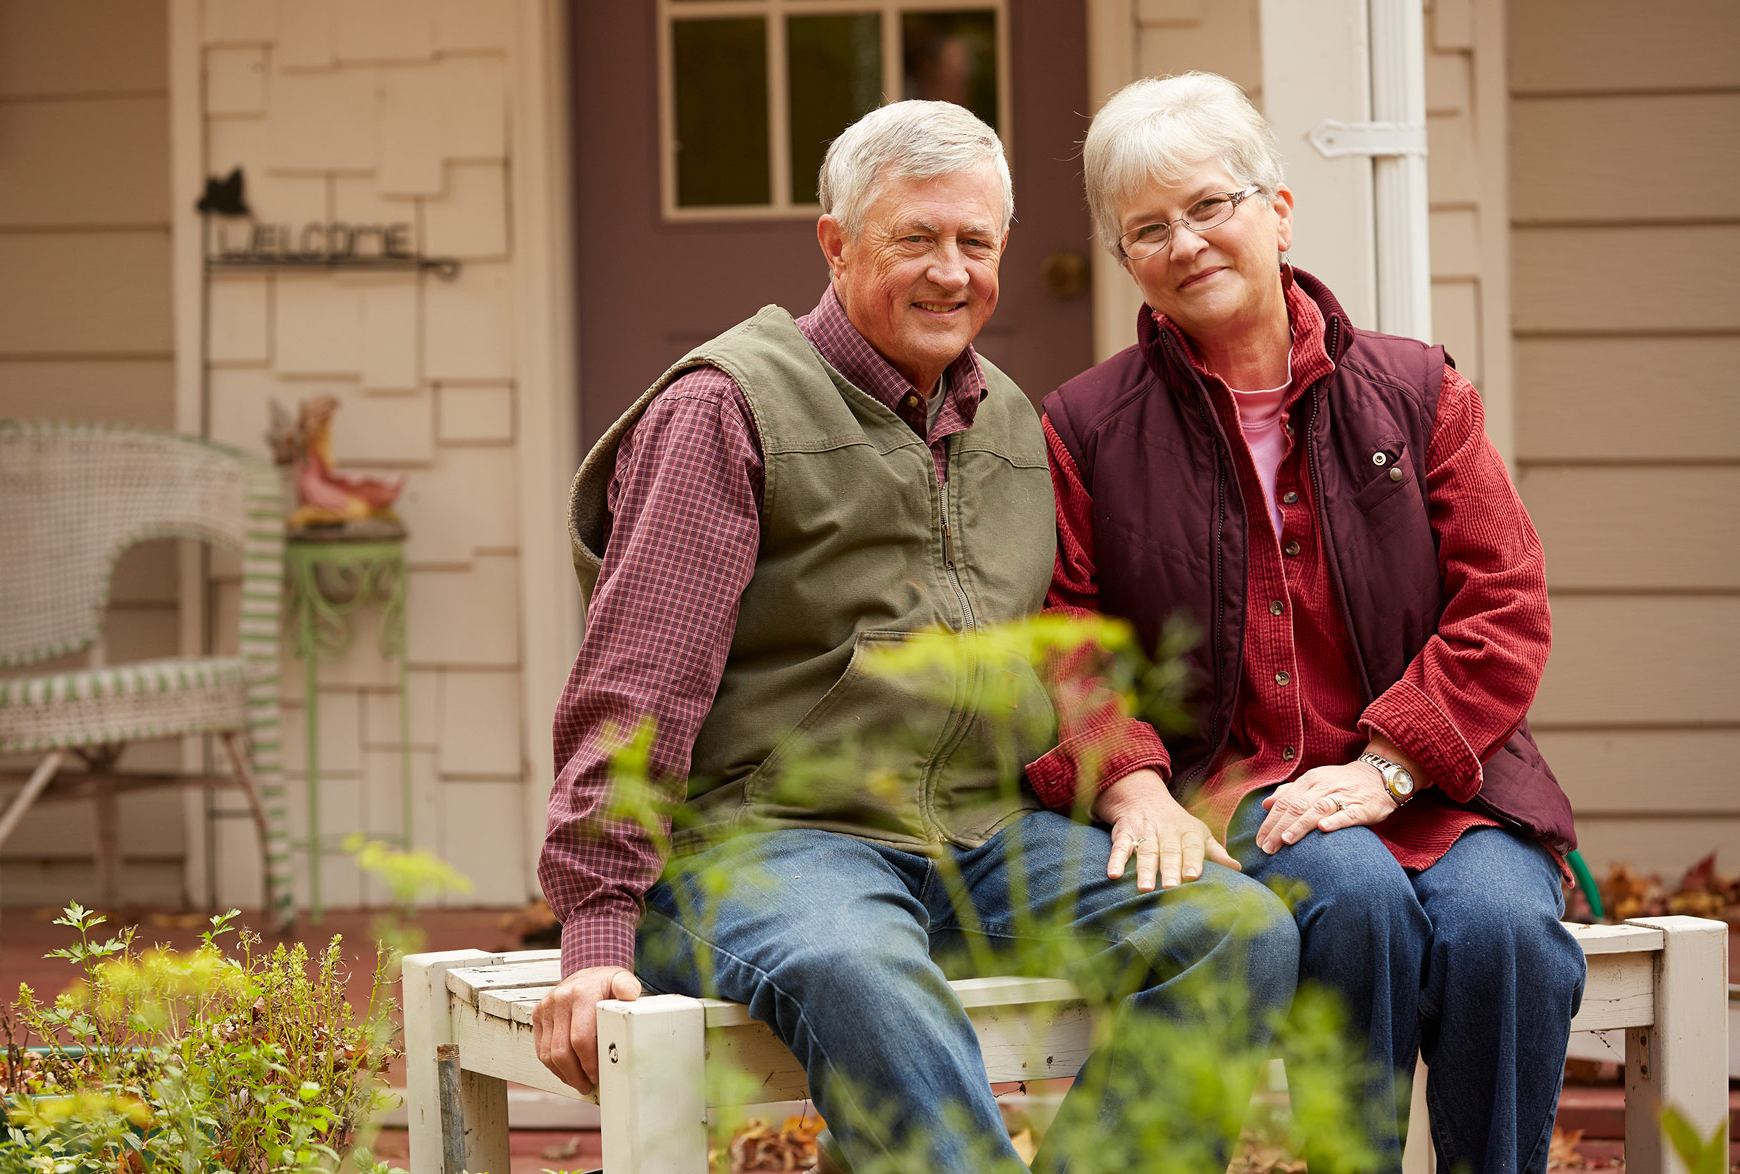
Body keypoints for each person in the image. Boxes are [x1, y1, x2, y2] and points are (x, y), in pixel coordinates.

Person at [533, 99, 1298, 1171]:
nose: (952, 272)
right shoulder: (727, 408)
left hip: (983, 837)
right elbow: (632, 687)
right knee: (863, 972)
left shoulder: (1015, 427)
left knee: (1235, 934)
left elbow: (1057, 650)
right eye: (916, 239)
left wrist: (1129, 779)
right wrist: (597, 926)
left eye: (976, 243)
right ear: (836, 245)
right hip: (773, 842)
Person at [1032, 72, 1585, 1174]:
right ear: (1125, 259)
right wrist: (1128, 775)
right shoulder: (1087, 425)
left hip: (1440, 788)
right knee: (1358, 897)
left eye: (1210, 206)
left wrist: (1388, 768)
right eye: (1148, 228)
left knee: (1505, 935)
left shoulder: (1416, 390)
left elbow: (1505, 599)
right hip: (1238, 789)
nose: (1185, 243)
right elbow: (1064, 634)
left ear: (1276, 208)